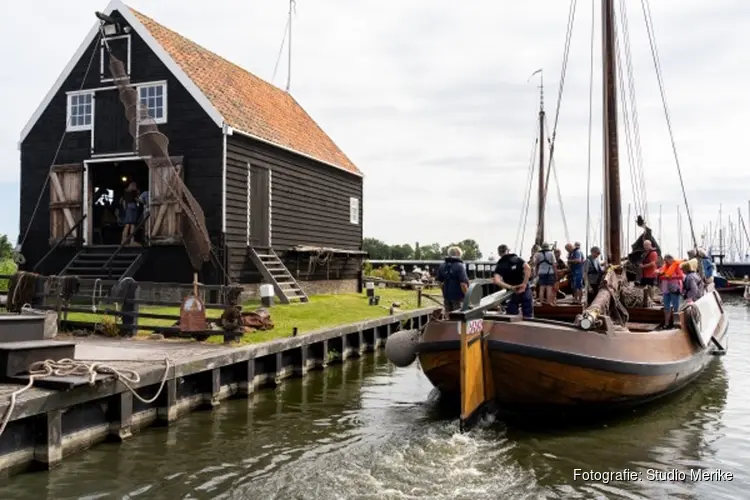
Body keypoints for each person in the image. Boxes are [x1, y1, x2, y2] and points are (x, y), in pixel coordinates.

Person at [493, 244, 533, 319]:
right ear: (508, 251)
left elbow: (496, 280)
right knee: (528, 314)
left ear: (499, 253)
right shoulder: (518, 259)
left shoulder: (501, 264)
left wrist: (511, 287)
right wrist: (524, 284)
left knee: (512, 314)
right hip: (524, 287)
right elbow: (528, 268)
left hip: (512, 290)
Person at [436, 246, 470, 312]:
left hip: (447, 297)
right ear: (458, 254)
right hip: (458, 298)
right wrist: (467, 298)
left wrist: (444, 291)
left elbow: (439, 282)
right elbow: (463, 284)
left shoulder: (442, 266)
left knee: (448, 318)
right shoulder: (460, 266)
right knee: (458, 319)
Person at [656, 254, 684, 329]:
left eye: (666, 260)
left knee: (676, 307)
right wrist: (658, 273)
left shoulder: (677, 266)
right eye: (665, 261)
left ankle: (676, 324)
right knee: (666, 307)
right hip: (666, 289)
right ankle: (666, 324)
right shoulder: (664, 266)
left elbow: (681, 276)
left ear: (671, 259)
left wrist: (671, 276)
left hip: (674, 288)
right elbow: (660, 273)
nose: (666, 262)